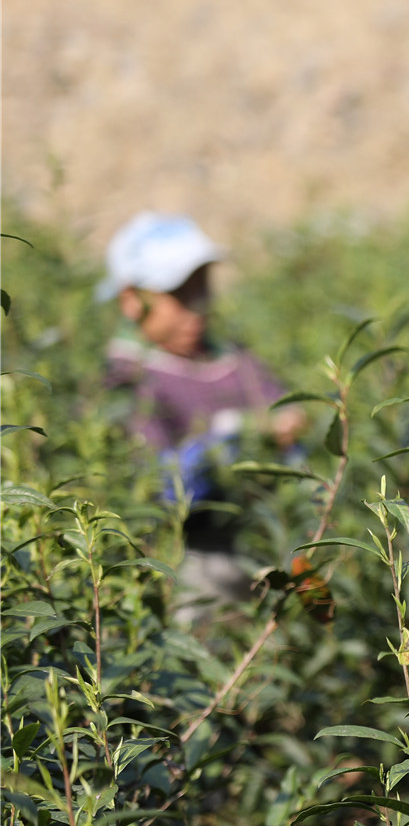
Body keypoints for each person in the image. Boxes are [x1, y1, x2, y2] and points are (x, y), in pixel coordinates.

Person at [98, 213, 300, 619]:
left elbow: (282, 405)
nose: (197, 306)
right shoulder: (129, 379)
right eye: (178, 293)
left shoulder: (230, 357)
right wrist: (233, 440)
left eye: (201, 286)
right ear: (132, 300)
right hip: (190, 558)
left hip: (263, 538)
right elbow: (155, 482)